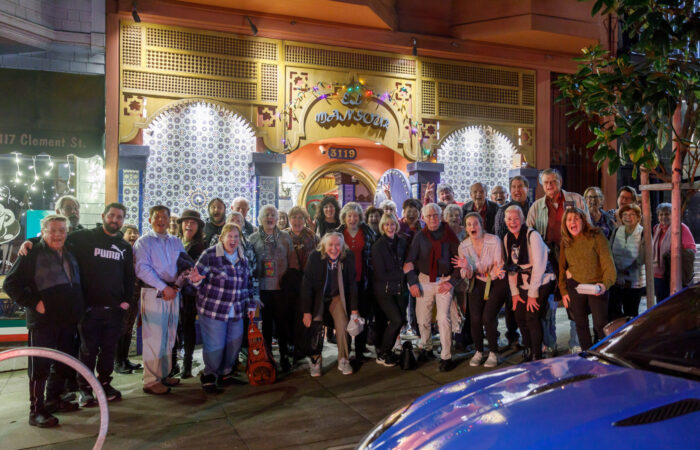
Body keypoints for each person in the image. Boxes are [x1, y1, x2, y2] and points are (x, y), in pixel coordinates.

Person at [20, 203, 135, 405]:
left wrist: (126, 301)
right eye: (111, 216)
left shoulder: (124, 246)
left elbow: (129, 276)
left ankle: (105, 384)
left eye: (119, 217)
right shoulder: (86, 237)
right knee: (87, 352)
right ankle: (85, 389)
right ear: (103, 216)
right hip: (88, 310)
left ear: (122, 221)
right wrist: (30, 242)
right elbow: (55, 238)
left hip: (115, 310)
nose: (115, 220)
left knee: (108, 352)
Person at [4, 215, 84, 427]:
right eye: (52, 230)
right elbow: (10, 285)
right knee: (39, 367)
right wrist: (34, 302)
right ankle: (36, 411)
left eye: (62, 230)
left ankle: (53, 400)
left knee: (62, 363)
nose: (58, 234)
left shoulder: (70, 251)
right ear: (43, 232)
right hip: (43, 322)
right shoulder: (31, 252)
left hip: (67, 320)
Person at [526, 168, 588, 356]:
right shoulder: (536, 206)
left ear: (560, 182)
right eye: (546, 183)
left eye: (553, 181)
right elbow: (529, 234)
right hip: (548, 258)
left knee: (574, 300)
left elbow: (588, 225)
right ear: (541, 185)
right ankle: (549, 343)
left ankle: (576, 343)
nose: (550, 186)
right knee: (547, 303)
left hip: (572, 255)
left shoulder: (575, 199)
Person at [190, 224, 256, 392]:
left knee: (234, 344)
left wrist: (251, 304)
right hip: (214, 310)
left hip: (237, 309)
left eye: (236, 237)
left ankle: (226, 374)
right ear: (222, 238)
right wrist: (196, 279)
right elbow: (195, 282)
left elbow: (248, 283)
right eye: (230, 236)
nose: (233, 240)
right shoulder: (210, 254)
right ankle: (210, 375)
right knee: (215, 346)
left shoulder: (243, 256)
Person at [134, 205, 191, 395]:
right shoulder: (144, 242)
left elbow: (184, 265)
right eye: (156, 217)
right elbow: (142, 269)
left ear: (169, 221)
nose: (160, 220)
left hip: (173, 292)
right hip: (154, 291)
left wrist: (177, 286)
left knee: (169, 335)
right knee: (154, 337)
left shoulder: (176, 241)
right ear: (150, 220)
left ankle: (164, 374)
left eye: (164, 217)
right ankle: (151, 380)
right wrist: (163, 287)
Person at [404, 203, 460, 372]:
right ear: (423, 218)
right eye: (429, 216)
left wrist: (452, 282)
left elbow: (459, 261)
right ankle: (427, 347)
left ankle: (446, 356)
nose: (433, 219)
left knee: (443, 318)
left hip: (444, 281)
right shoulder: (420, 237)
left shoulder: (449, 235)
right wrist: (413, 282)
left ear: (441, 215)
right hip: (424, 280)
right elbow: (409, 261)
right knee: (422, 320)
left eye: (435, 215)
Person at [453, 212, 508, 368]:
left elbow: (498, 267)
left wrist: (492, 273)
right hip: (476, 281)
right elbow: (467, 274)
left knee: (487, 317)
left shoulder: (494, 240)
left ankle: (493, 351)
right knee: (475, 318)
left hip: (496, 282)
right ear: (465, 228)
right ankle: (479, 350)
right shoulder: (463, 246)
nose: (472, 227)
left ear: (481, 225)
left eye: (475, 224)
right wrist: (467, 267)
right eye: (469, 225)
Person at [301, 232, 359, 376]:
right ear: (324, 246)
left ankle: (344, 359)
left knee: (343, 322)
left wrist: (354, 311)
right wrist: (306, 311)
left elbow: (352, 284)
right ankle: (315, 360)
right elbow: (306, 285)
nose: (334, 248)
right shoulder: (315, 257)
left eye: (338, 245)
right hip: (318, 297)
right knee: (315, 324)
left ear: (342, 246)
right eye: (330, 245)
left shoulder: (348, 257)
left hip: (337, 296)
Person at [249, 205, 299, 372]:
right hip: (262, 289)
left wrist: (291, 284)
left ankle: (284, 356)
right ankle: (268, 356)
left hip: (281, 288)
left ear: (277, 219)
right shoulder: (253, 239)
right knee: (267, 325)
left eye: (273, 215)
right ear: (260, 219)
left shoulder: (285, 237)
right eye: (266, 215)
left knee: (282, 323)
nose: (270, 217)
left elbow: (292, 260)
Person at [502, 206, 556, 361]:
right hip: (523, 280)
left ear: (523, 219)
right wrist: (515, 294)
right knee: (519, 315)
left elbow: (539, 267)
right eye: (509, 219)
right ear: (505, 222)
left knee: (532, 315)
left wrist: (532, 295)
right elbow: (511, 268)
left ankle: (536, 354)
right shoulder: (507, 238)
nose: (513, 222)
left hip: (543, 279)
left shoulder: (532, 236)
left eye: (516, 218)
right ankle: (528, 348)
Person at [559, 207, 616, 350]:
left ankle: (606, 352)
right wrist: (563, 290)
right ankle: (587, 353)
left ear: (583, 221)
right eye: (569, 219)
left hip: (596, 285)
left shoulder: (596, 236)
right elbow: (562, 268)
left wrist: (605, 284)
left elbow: (608, 264)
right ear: (565, 223)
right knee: (580, 323)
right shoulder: (565, 241)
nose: (573, 222)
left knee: (600, 324)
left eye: (576, 218)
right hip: (576, 285)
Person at [336, 202, 377, 361]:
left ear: (360, 217)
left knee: (363, 316)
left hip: (363, 281)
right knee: (344, 316)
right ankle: (346, 350)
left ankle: (360, 350)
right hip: (343, 282)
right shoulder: (338, 233)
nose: (352, 219)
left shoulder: (368, 232)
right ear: (344, 218)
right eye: (349, 216)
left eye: (355, 216)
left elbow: (373, 256)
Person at [371, 213, 407, 367]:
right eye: (386, 225)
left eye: (392, 224)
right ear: (382, 227)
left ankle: (387, 350)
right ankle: (383, 352)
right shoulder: (378, 246)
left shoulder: (402, 242)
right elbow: (381, 274)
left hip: (399, 288)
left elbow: (408, 262)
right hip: (384, 290)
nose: (390, 227)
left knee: (401, 321)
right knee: (396, 320)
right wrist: (403, 272)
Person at [174, 210, 207, 378]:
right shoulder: (176, 242)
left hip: (190, 294)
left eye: (193, 223)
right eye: (186, 222)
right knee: (175, 327)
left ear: (198, 227)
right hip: (174, 292)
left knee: (187, 327)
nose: (188, 225)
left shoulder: (199, 246)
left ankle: (187, 365)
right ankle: (173, 363)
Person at [285, 206, 319, 362]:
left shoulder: (312, 236)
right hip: (288, 281)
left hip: (307, 280)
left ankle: (304, 347)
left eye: (300, 218)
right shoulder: (283, 235)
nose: (297, 221)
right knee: (290, 314)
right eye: (294, 217)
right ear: (289, 219)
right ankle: (290, 345)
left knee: (305, 314)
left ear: (305, 220)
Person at [652, 202, 697, 302]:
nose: (663, 217)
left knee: (673, 303)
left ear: (673, 215)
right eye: (661, 214)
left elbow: (691, 249)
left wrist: (673, 255)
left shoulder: (681, 228)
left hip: (674, 273)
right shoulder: (656, 229)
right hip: (658, 274)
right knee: (661, 303)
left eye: (667, 214)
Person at [608, 204, 645, 319]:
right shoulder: (617, 230)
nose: (628, 217)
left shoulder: (643, 232)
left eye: (632, 214)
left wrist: (625, 273)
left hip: (634, 281)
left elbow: (642, 258)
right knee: (614, 312)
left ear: (638, 217)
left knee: (631, 313)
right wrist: (615, 272)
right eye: (625, 214)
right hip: (616, 280)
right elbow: (609, 252)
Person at [115, 224, 142, 375]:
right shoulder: (121, 253)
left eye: (135, 233)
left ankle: (125, 359)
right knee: (121, 328)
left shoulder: (139, 253)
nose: (133, 236)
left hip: (135, 296)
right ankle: (118, 362)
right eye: (129, 233)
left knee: (129, 328)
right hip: (122, 298)